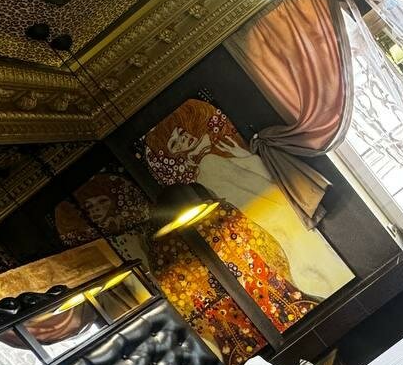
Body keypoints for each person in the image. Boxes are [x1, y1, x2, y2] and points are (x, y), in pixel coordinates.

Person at [143, 99, 352, 300]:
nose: (182, 140)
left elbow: (262, 177)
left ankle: (332, 286)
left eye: (181, 133)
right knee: (299, 259)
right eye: (174, 143)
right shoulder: (202, 173)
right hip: (260, 220)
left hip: (272, 212)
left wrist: (243, 157)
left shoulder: (214, 156)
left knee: (306, 254)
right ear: (172, 153)